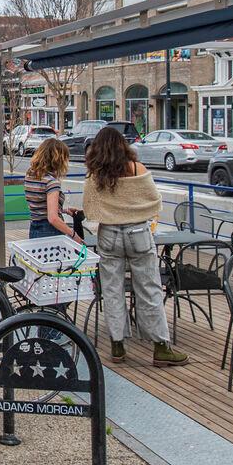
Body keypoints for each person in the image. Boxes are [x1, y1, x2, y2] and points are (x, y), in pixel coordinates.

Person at [81, 125, 183, 367]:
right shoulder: (137, 168)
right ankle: (160, 347)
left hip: (109, 235)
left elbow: (89, 209)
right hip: (138, 233)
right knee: (149, 289)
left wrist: (111, 213)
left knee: (112, 290)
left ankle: (117, 345)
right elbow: (154, 200)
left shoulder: (95, 175)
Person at [24, 137, 85, 242]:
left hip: (34, 229)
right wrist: (74, 235)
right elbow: (53, 218)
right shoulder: (51, 182)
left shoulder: (30, 176)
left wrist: (63, 210)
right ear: (58, 159)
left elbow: (41, 207)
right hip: (50, 231)